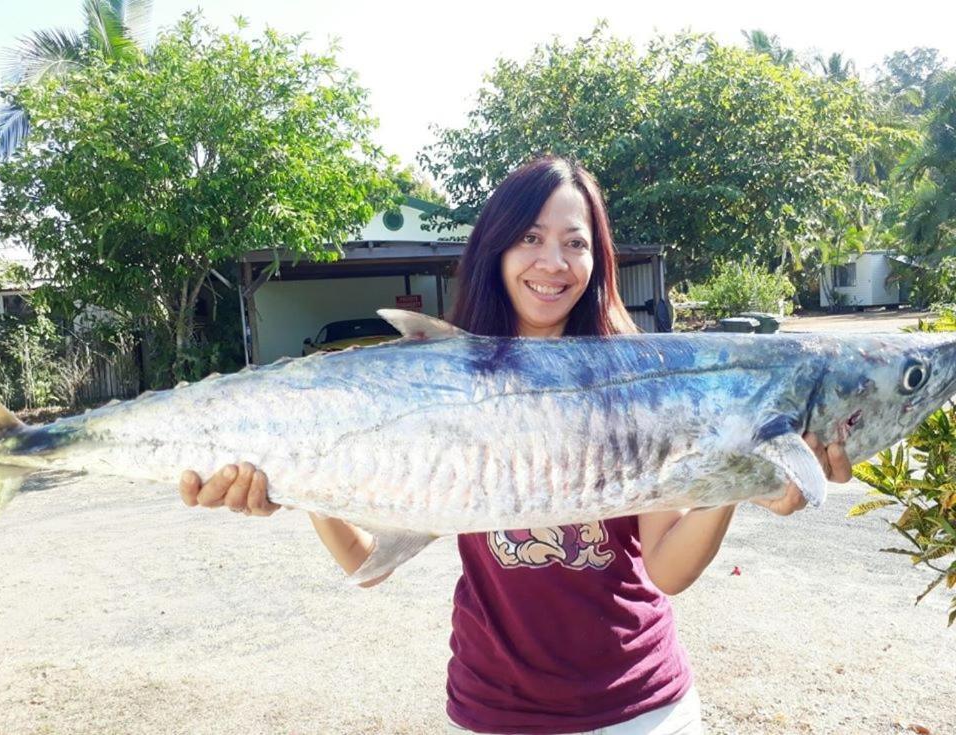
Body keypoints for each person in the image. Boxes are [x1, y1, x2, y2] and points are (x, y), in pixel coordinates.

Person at [179, 156, 852, 734]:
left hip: (642, 709)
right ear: (497, 247)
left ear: (598, 255)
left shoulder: (642, 376)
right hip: (495, 710)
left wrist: (738, 476)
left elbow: (666, 570)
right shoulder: (450, 383)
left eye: (575, 241)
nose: (553, 262)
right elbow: (369, 562)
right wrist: (297, 482)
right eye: (531, 236)